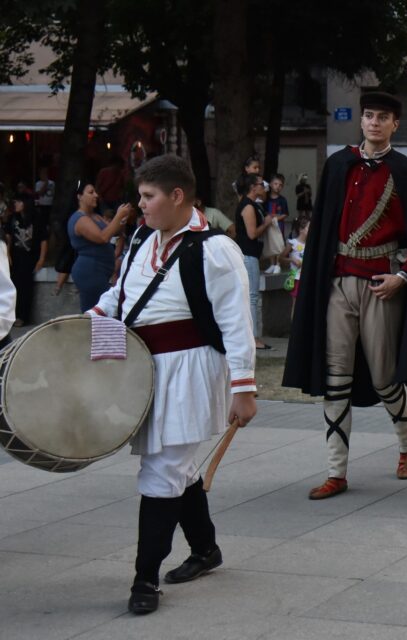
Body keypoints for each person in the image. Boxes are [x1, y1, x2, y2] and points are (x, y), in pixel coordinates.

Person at [88, 154, 257, 615]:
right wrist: (88, 325)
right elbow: (119, 295)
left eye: (148, 197)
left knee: (161, 471)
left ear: (177, 196)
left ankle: (144, 577)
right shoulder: (143, 236)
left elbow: (237, 323)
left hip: (189, 369)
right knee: (176, 468)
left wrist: (244, 389)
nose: (139, 206)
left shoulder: (216, 249)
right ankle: (206, 549)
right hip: (141, 367)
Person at [283, 91, 407, 499]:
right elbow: (320, 230)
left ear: (394, 124)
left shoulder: (406, 173)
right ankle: (336, 471)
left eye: (382, 117)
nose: (373, 122)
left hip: (381, 285)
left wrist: (403, 278)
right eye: (368, 115)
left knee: (386, 375)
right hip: (337, 282)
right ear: (361, 121)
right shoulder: (338, 165)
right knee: (336, 377)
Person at [67, 182, 132, 311]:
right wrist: (118, 215)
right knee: (96, 312)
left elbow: (114, 231)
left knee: (102, 311)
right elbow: (103, 237)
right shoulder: (80, 219)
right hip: (90, 271)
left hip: (100, 270)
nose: (96, 195)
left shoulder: (95, 216)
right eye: (91, 192)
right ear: (79, 196)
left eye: (95, 192)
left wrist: (123, 218)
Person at [234, 174, 274, 350]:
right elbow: (252, 234)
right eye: (260, 184)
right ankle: (253, 338)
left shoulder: (252, 204)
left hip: (251, 255)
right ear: (252, 187)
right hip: (248, 255)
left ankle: (253, 336)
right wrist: (266, 223)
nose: (263, 187)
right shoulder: (248, 206)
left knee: (252, 297)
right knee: (252, 297)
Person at [4, 195, 47, 325]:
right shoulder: (13, 218)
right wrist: (7, 255)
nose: (15, 204)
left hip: (30, 258)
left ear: (25, 203)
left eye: (18, 201)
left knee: (26, 288)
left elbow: (43, 240)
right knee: (13, 286)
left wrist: (41, 259)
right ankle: (12, 316)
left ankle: (23, 317)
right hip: (15, 257)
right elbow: (8, 238)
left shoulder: (36, 218)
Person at [280, 215, 309, 319]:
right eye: (308, 227)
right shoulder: (293, 243)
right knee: (296, 305)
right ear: (301, 230)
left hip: (306, 278)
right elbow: (281, 258)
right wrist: (292, 260)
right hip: (296, 278)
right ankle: (293, 331)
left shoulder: (310, 244)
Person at [264, 173, 289, 274]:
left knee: (279, 244)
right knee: (270, 243)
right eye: (275, 184)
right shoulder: (266, 199)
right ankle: (272, 264)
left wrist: (277, 218)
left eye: (280, 185)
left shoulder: (282, 200)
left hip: (279, 226)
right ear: (270, 184)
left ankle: (278, 264)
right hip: (269, 225)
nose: (277, 187)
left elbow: (285, 214)